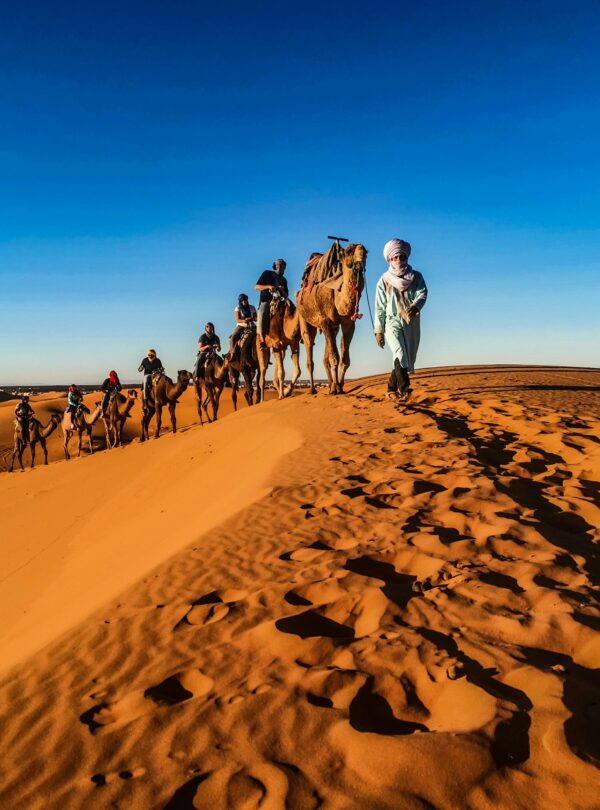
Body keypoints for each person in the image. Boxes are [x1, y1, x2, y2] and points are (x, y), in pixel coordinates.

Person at [374, 239, 428, 401]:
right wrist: (379, 331)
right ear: (389, 259)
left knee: (403, 358)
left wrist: (416, 307)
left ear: (407, 258)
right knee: (400, 352)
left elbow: (422, 294)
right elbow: (380, 307)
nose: (399, 260)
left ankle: (391, 389)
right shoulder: (384, 280)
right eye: (395, 257)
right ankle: (405, 390)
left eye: (402, 257)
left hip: (411, 323)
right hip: (392, 321)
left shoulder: (416, 277)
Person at [255, 259, 289, 348]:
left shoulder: (284, 280)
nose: (281, 268)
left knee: (292, 309)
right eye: (280, 266)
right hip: (267, 301)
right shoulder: (267, 273)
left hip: (280, 300)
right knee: (262, 312)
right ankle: (262, 340)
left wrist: (282, 290)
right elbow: (257, 287)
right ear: (275, 266)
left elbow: (286, 294)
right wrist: (269, 287)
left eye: (283, 267)